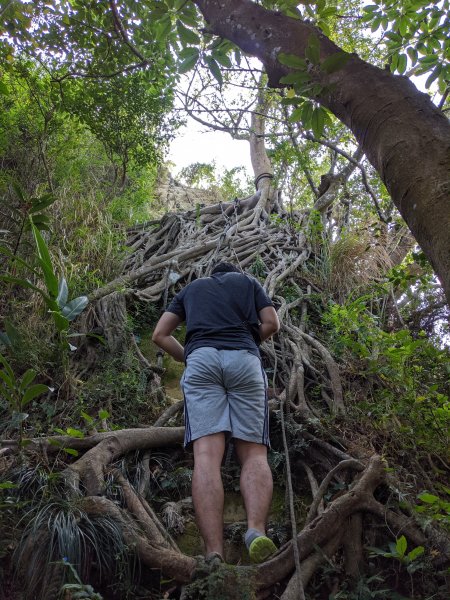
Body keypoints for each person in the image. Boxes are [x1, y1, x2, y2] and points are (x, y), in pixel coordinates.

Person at [152, 262, 280, 564]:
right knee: (255, 454)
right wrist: (247, 340)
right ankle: (256, 531)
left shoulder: (191, 289)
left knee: (207, 457)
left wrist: (193, 354)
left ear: (213, 274)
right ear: (234, 272)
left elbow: (160, 334)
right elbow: (272, 323)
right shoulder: (249, 282)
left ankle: (213, 552)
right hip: (245, 361)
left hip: (201, 362)